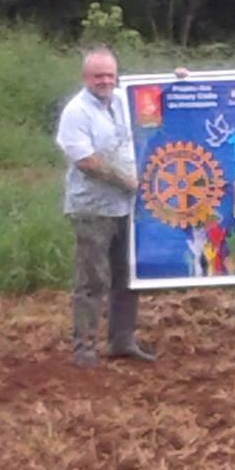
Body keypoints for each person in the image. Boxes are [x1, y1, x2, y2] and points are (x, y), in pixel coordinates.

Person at [55, 47, 156, 368]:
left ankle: (121, 341)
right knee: (92, 281)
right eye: (98, 75)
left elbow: (160, 102)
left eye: (109, 75)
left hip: (126, 207)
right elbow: (86, 161)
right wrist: (126, 180)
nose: (104, 81)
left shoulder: (124, 101)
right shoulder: (76, 111)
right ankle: (84, 351)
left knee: (128, 277)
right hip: (92, 210)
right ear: (86, 77)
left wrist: (179, 80)